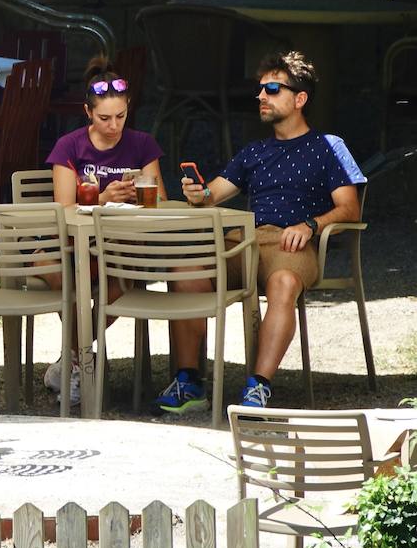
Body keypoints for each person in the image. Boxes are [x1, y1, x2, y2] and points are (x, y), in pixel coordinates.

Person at [159, 51, 362, 412]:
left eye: (271, 88)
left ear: (300, 99)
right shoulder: (255, 151)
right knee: (184, 271)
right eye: (260, 90)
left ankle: (258, 386)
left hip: (292, 243)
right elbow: (214, 194)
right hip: (247, 239)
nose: (261, 97)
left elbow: (350, 207)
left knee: (283, 284)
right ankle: (189, 381)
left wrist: (310, 225)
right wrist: (199, 194)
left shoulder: (329, 147)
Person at [42, 57, 169, 405]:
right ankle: (80, 359)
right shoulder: (69, 146)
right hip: (74, 243)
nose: (114, 126)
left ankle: (73, 360)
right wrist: (101, 197)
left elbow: (161, 200)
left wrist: (139, 192)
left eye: (121, 116)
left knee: (117, 284)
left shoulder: (142, 143)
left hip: (121, 246)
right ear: (87, 112)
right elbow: (64, 208)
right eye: (104, 118)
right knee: (52, 272)